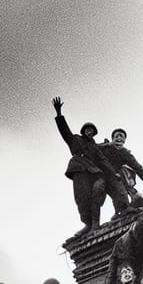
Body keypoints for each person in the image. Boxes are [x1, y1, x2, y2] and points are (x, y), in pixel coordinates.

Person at [50, 96, 114, 235]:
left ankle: (95, 224)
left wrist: (113, 172)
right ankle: (88, 224)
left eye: (92, 130)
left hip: (94, 172)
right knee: (82, 198)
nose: (89, 131)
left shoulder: (95, 146)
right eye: (87, 129)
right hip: (79, 169)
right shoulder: (75, 140)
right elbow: (64, 130)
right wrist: (59, 114)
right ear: (83, 130)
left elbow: (103, 157)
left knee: (96, 194)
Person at [99, 128, 143, 218]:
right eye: (116, 136)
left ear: (124, 141)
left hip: (117, 178)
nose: (119, 138)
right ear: (112, 139)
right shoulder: (104, 147)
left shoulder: (125, 153)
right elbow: (91, 149)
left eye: (121, 137)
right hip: (102, 176)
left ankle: (123, 208)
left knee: (123, 173)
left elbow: (140, 169)